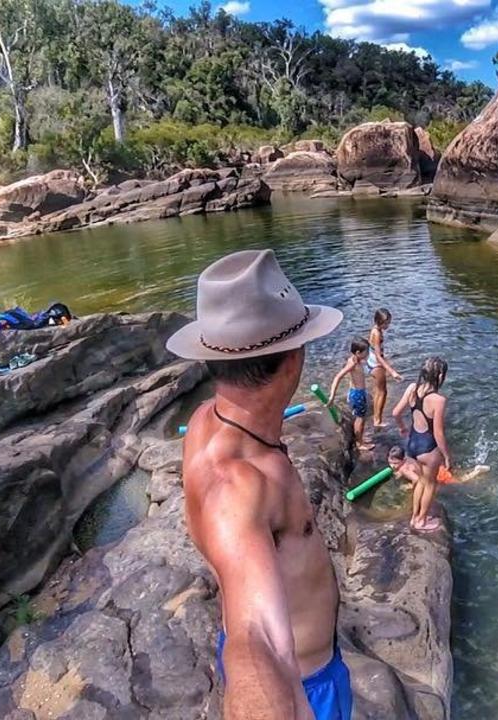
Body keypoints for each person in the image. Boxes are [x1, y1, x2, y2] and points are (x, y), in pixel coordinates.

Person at [169, 249, 352, 720]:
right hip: (307, 688)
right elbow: (258, 638)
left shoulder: (206, 419)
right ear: (294, 361)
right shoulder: (239, 487)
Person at [391, 357, 450, 532]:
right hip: (429, 448)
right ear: (439, 376)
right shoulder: (438, 400)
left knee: (421, 482)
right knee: (430, 484)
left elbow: (395, 412)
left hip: (413, 444)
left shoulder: (412, 388)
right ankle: (422, 520)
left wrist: (402, 428)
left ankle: (414, 517)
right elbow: (438, 433)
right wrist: (446, 455)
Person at [326, 338, 373, 451]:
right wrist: (332, 396)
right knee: (360, 419)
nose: (368, 354)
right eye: (366, 352)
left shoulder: (356, 360)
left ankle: (360, 438)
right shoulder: (352, 363)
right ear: (358, 353)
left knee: (362, 417)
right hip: (357, 394)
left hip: (358, 393)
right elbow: (338, 377)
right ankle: (359, 443)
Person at [366, 308, 402, 428]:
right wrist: (391, 371)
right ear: (379, 321)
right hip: (376, 363)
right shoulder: (376, 333)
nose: (388, 325)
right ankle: (378, 421)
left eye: (388, 322)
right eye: (386, 323)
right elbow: (378, 355)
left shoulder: (376, 330)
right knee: (382, 392)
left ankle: (376, 418)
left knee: (378, 391)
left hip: (372, 361)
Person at [387, 446, 488, 487]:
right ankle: (471, 469)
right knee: (456, 475)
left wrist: (410, 486)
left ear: (403, 460)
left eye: (395, 463)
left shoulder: (404, 469)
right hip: (435, 467)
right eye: (390, 462)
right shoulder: (407, 460)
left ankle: (477, 471)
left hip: (436, 475)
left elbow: (417, 480)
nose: (392, 466)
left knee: (460, 482)